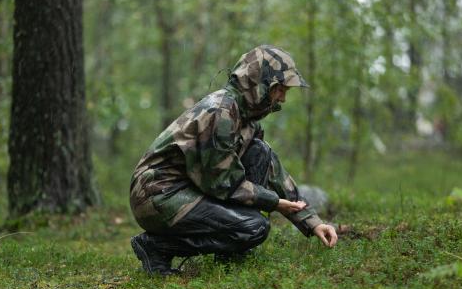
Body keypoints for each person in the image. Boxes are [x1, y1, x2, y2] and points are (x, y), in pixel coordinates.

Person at [129, 45, 337, 275]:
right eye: (279, 89)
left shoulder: (244, 117)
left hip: (186, 188)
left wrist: (313, 221)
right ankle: (157, 247)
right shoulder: (221, 112)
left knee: (260, 153)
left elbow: (273, 171)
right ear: (259, 84)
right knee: (254, 228)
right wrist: (272, 202)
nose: (283, 98)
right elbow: (222, 182)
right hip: (159, 195)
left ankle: (231, 252)